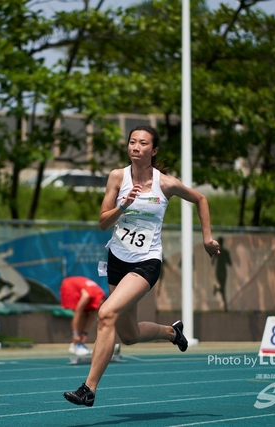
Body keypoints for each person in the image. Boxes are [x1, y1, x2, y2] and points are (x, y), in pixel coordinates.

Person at [63, 125, 220, 407]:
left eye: (143, 143)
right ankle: (172, 332)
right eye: (132, 142)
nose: (136, 147)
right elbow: (102, 223)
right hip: (117, 259)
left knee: (106, 313)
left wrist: (207, 237)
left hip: (146, 261)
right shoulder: (117, 177)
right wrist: (123, 205)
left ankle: (89, 388)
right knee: (129, 334)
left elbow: (201, 199)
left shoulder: (166, 184)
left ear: (154, 150)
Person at [59, 276, 106, 356]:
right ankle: (75, 344)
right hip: (69, 285)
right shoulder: (87, 296)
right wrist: (75, 334)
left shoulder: (101, 296)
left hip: (81, 287)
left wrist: (85, 333)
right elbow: (77, 313)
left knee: (86, 313)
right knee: (81, 313)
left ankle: (80, 343)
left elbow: (92, 315)